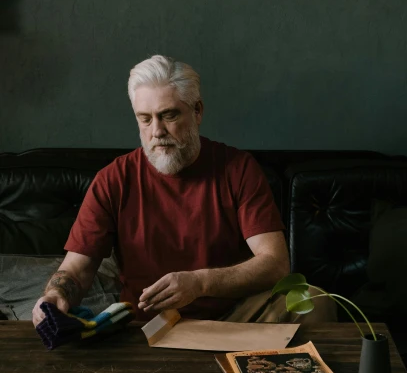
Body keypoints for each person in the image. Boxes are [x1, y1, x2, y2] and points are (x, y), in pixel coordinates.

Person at [32, 56, 336, 328]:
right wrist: (55, 294)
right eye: (145, 119)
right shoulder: (113, 179)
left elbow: (276, 263)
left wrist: (201, 282)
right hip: (149, 326)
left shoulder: (238, 169)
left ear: (198, 111)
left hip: (236, 317)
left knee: (316, 300)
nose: (156, 131)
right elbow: (77, 269)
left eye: (169, 115)